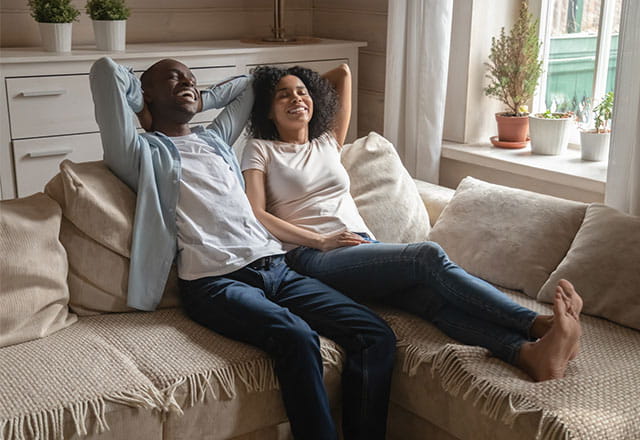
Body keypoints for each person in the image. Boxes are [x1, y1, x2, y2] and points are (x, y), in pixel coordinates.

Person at [89, 57, 398, 440]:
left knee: (375, 335)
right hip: (215, 282)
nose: (188, 82)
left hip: (276, 267)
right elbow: (105, 71)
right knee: (297, 337)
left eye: (192, 78)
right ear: (148, 92)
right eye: (174, 78)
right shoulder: (138, 151)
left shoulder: (215, 138)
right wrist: (142, 104)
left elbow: (251, 86)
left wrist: (199, 99)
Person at [241, 64, 583, 383]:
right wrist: (321, 241)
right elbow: (258, 212)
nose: (296, 99)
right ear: (267, 111)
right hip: (312, 256)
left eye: (302, 92)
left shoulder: (328, 142)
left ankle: (528, 355)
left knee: (429, 301)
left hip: (362, 247)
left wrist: (294, 79)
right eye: (283, 95)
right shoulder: (261, 150)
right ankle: (538, 324)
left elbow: (343, 73)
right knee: (426, 257)